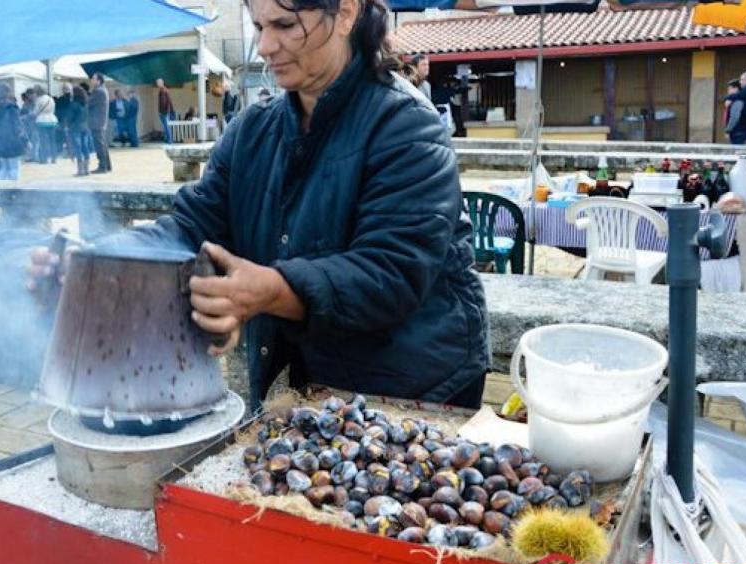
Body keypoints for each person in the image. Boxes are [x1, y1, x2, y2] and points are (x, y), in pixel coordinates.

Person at [29, 0, 489, 411]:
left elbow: (391, 272)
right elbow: (193, 225)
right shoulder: (254, 130)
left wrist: (272, 288)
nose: (267, 46)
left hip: (410, 387)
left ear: (346, 12)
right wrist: (101, 258)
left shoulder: (406, 125)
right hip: (303, 391)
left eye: (286, 24)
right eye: (257, 25)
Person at [0, 84, 27, 180]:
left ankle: (0, 190)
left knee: (4, 168)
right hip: (12, 141)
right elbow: (17, 125)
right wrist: (25, 139)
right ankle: (14, 191)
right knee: (14, 167)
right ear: (8, 93)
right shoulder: (11, 107)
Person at [88, 73, 112, 173]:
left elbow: (88, 103)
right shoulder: (103, 90)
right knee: (103, 145)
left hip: (97, 122)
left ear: (99, 80)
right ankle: (107, 166)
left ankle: (102, 167)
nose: (91, 81)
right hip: (101, 121)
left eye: (93, 79)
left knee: (99, 145)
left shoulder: (98, 91)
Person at [66, 86, 92, 177]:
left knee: (78, 148)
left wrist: (67, 125)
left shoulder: (73, 104)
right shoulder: (86, 104)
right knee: (85, 148)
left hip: (75, 128)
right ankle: (87, 169)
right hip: (85, 128)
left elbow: (70, 118)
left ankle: (80, 170)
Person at [32, 86, 58, 164]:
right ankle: (54, 158)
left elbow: (35, 111)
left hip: (41, 121)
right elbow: (53, 110)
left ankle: (44, 159)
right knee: (52, 140)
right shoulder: (51, 99)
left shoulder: (38, 100)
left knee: (43, 141)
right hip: (52, 120)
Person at [723, 80, 746, 146]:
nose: (728, 91)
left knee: (737, 151)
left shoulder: (738, 101)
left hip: (738, 131)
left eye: (730, 89)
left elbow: (734, 117)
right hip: (737, 131)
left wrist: (728, 130)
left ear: (736, 89)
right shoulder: (733, 100)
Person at [55, 83, 73, 158]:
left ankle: (60, 151)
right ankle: (70, 152)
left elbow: (57, 111)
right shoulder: (74, 99)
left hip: (62, 121)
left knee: (61, 137)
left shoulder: (60, 99)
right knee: (70, 137)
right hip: (71, 121)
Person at [157, 78, 175, 144]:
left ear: (162, 83)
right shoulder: (161, 91)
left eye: (158, 83)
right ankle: (167, 139)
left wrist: (168, 111)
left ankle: (169, 140)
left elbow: (169, 101)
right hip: (161, 112)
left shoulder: (165, 91)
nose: (157, 84)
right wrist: (159, 111)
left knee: (166, 126)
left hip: (165, 112)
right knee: (165, 126)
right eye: (157, 83)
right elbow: (160, 102)